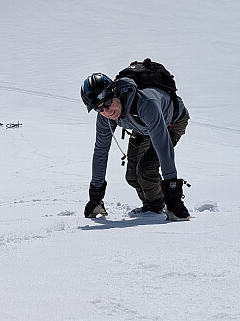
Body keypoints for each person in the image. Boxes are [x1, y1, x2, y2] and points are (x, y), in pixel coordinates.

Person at [80, 71, 191, 221]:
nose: (106, 111)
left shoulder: (146, 103)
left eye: (107, 103)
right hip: (141, 126)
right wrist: (95, 197)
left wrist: (174, 197)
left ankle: (161, 207)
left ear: (115, 93)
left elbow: (164, 149)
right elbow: (100, 152)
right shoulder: (105, 117)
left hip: (172, 122)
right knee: (132, 175)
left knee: (146, 168)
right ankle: (154, 205)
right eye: (99, 108)